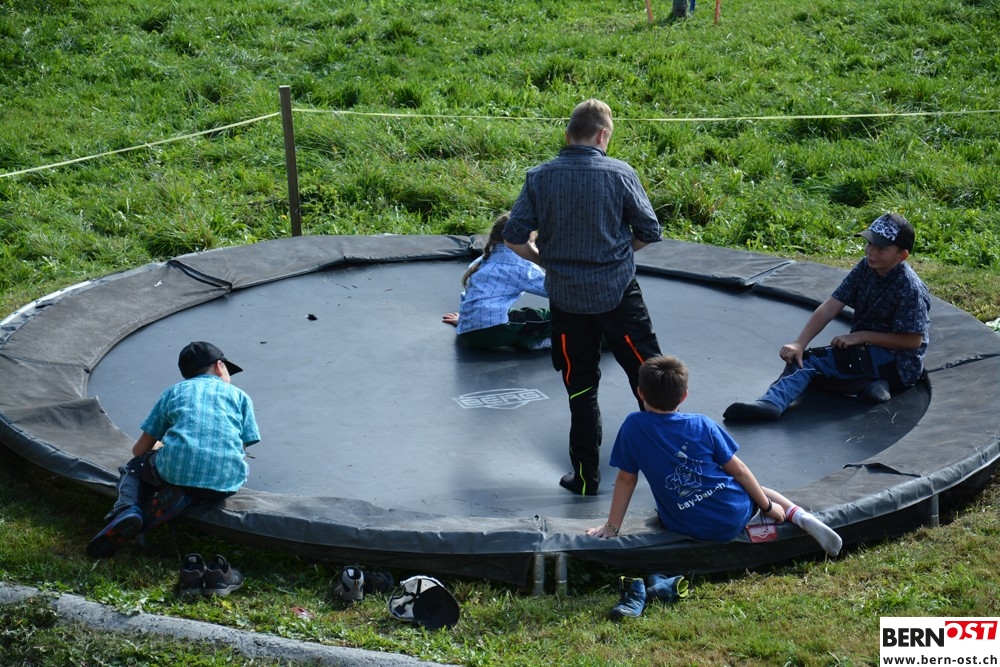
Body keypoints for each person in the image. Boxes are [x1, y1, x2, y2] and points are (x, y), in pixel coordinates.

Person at [503, 98, 663, 496]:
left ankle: (586, 478)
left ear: (567, 135)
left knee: (580, 386)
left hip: (567, 300)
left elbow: (513, 236)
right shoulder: (620, 173)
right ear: (603, 135)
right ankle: (667, 469)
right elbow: (649, 230)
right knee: (649, 378)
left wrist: (543, 260)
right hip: (618, 295)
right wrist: (620, 253)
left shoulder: (540, 177)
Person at [586, 355, 842, 559]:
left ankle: (781, 512)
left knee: (665, 511)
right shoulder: (701, 424)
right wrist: (766, 506)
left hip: (688, 525)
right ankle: (798, 515)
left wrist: (612, 527)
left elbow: (626, 479)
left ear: (640, 393)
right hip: (734, 513)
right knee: (760, 490)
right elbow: (739, 471)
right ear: (684, 396)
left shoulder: (632, 427)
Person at [723, 212, 931, 421]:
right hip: (868, 354)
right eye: (869, 244)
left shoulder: (910, 288)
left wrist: (860, 336)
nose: (871, 251)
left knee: (807, 363)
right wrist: (800, 343)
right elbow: (831, 307)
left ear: (902, 255)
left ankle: (771, 404)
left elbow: (913, 340)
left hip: (898, 365)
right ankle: (867, 386)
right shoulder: (866, 268)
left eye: (881, 248)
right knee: (811, 366)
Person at [87, 341, 261, 559]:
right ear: (219, 366)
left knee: (135, 468)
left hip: (177, 470)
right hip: (226, 481)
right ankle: (182, 498)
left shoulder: (175, 392)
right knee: (199, 480)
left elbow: (140, 450)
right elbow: (240, 448)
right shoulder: (241, 397)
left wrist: (161, 447)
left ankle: (126, 510)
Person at [441, 212, 551, 351]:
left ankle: (525, 339)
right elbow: (554, 290)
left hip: (468, 333)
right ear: (527, 243)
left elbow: (470, 297)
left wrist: (463, 320)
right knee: (555, 317)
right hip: (494, 331)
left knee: (519, 315)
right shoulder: (522, 266)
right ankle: (536, 341)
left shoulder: (482, 260)